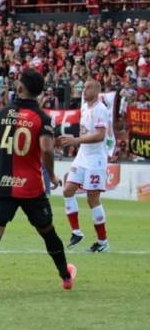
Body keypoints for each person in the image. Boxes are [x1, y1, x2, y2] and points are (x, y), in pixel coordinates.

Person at [0, 69, 76, 298]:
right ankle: (66, 277)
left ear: (19, 88)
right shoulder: (42, 118)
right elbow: (47, 148)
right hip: (30, 187)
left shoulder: (1, 113)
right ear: (39, 93)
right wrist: (52, 175)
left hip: (2, 184)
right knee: (48, 232)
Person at [59, 80, 110, 252]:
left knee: (92, 199)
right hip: (83, 157)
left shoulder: (100, 109)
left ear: (97, 90)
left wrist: (76, 140)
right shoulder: (84, 107)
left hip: (96, 160)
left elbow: (100, 135)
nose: (84, 90)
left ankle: (103, 242)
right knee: (67, 190)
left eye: (88, 87)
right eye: (83, 87)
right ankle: (77, 232)